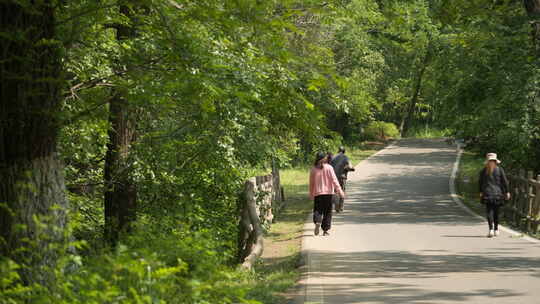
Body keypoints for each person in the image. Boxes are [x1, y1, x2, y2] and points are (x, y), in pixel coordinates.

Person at [309, 152, 345, 236]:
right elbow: (334, 180)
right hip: (329, 194)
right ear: (324, 158)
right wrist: (340, 191)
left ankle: (318, 221)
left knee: (318, 210)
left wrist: (311, 194)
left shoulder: (313, 169)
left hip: (318, 194)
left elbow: (311, 183)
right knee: (327, 212)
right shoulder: (329, 168)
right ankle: (325, 230)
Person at [479, 153, 510, 238]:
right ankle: (496, 229)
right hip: (497, 194)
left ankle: (491, 230)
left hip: (487, 193)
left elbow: (480, 182)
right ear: (495, 161)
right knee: (496, 212)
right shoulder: (500, 170)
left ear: (487, 161)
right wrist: (507, 192)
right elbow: (504, 181)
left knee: (489, 212)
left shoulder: (483, 171)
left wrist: (480, 192)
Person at [330, 146, 355, 212]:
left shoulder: (334, 157)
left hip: (334, 177)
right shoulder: (345, 157)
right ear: (344, 151)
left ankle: (336, 206)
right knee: (342, 190)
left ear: (338, 151)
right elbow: (350, 166)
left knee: (335, 191)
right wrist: (351, 169)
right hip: (342, 177)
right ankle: (340, 206)